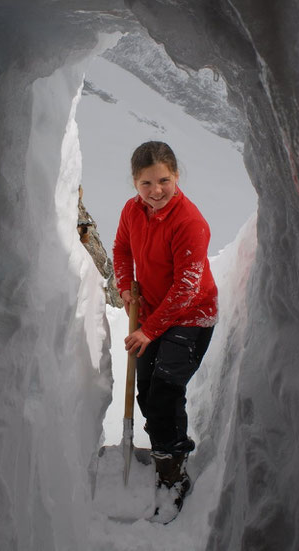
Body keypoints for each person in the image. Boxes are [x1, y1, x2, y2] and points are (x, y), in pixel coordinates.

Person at [113, 141, 218, 493]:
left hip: (191, 316)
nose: (156, 191)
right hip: (154, 311)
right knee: (146, 391)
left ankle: (173, 474)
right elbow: (122, 249)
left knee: (164, 393)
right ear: (135, 183)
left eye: (163, 181)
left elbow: (187, 289)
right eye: (147, 183)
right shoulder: (132, 211)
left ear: (175, 177)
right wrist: (126, 285)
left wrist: (149, 330)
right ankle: (162, 448)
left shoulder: (189, 222)